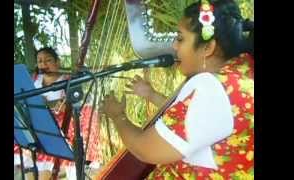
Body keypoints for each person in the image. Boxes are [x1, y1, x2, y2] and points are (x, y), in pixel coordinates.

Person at [100, 0, 254, 179]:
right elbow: (200, 120)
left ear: (207, 47)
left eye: (180, 38)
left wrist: (117, 115)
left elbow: (146, 149)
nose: (174, 46)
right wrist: (152, 94)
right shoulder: (240, 74)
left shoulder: (212, 87)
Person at [14, 47, 101, 180]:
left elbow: (78, 107)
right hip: (35, 130)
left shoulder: (68, 81)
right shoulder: (34, 80)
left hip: (55, 132)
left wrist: (63, 106)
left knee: (42, 173)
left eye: (48, 60)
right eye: (40, 61)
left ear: (57, 62)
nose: (43, 64)